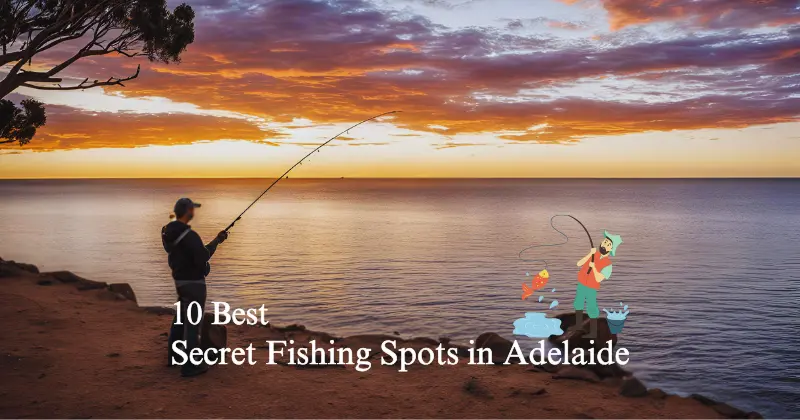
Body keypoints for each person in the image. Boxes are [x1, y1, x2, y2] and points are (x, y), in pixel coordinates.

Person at [161, 197, 229, 377]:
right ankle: (190, 366)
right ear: (187, 212)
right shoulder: (189, 235)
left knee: (179, 320)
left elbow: (191, 254)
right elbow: (203, 256)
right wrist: (216, 242)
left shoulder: (169, 233)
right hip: (194, 284)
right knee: (192, 325)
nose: (193, 213)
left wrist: (216, 240)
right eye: (192, 210)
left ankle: (174, 357)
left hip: (181, 282)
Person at [570, 230, 622, 339]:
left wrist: (593, 267)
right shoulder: (594, 254)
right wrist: (590, 254)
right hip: (582, 284)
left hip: (591, 287)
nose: (604, 244)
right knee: (578, 304)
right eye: (604, 242)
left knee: (591, 308)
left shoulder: (608, 264)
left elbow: (599, 278)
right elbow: (579, 263)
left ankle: (593, 332)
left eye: (608, 244)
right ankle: (578, 327)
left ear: (611, 249)